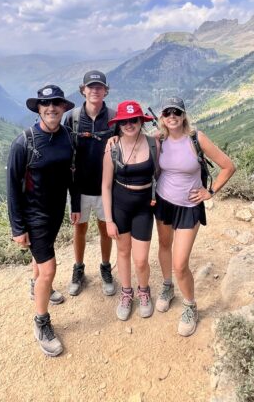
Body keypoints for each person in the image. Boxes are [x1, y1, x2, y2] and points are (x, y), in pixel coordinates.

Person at [6, 85, 79, 357]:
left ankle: (36, 287)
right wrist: (17, 227)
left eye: (56, 104)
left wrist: (75, 203)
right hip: (33, 215)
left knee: (40, 265)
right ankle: (42, 323)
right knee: (49, 270)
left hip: (57, 211)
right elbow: (12, 187)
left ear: (63, 108)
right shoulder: (24, 142)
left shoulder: (68, 138)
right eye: (45, 104)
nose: (51, 108)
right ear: (38, 109)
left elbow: (71, 173)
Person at [154, 97, 235, 336]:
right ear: (162, 117)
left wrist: (210, 192)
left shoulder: (196, 139)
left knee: (180, 264)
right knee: (165, 245)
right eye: (167, 112)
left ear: (183, 115)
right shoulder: (159, 139)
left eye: (176, 112)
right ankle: (167, 287)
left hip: (189, 207)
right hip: (163, 201)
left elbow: (228, 166)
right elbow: (133, 139)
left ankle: (190, 305)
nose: (172, 116)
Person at [102, 100, 158, 321]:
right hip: (120, 206)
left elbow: (163, 173)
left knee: (141, 259)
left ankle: (144, 291)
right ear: (119, 124)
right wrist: (108, 220)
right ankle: (127, 293)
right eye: (124, 121)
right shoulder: (112, 148)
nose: (128, 124)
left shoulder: (154, 144)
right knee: (123, 252)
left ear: (140, 121)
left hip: (144, 206)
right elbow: (105, 185)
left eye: (133, 120)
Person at [63, 70, 116, 297]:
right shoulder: (72, 117)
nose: (95, 90)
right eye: (90, 87)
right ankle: (79, 268)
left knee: (106, 229)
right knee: (80, 229)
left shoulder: (114, 117)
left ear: (105, 90)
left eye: (99, 87)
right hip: (80, 188)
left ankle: (105, 268)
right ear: (83, 90)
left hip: (106, 188)